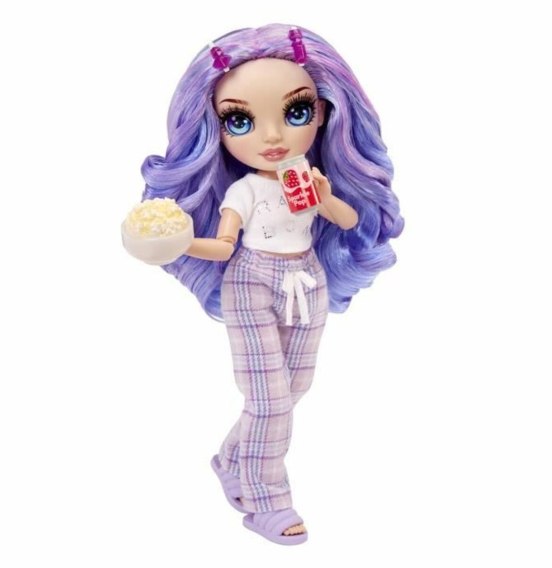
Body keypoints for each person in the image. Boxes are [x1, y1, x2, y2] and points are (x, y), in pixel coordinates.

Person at [137, 24, 403, 545]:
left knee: (292, 389)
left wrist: (325, 199)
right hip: (251, 282)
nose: (273, 137)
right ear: (216, 129)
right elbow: (224, 246)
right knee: (270, 399)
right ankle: (267, 499)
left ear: (323, 111)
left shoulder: (308, 176)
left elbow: (349, 221)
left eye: (296, 111)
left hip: (307, 280)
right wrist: (179, 243)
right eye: (240, 121)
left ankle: (232, 459)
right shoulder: (243, 191)